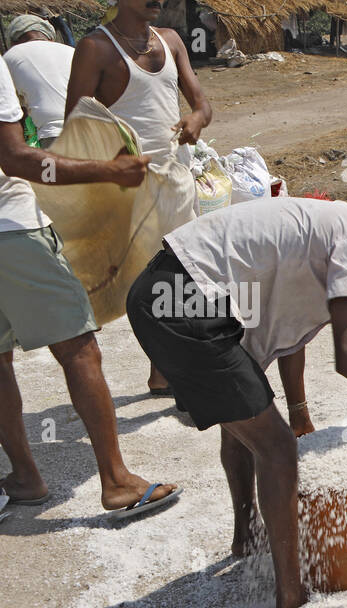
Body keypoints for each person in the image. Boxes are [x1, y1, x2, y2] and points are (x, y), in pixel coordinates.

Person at [125, 160, 347, 608]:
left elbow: (288, 337)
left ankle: (246, 537)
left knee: (246, 416)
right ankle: (290, 596)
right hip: (185, 302)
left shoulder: (330, 222)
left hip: (164, 290)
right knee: (277, 449)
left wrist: (297, 410)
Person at [0, 57, 176, 517]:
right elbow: (16, 158)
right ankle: (116, 482)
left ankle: (25, 477)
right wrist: (108, 172)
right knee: (79, 349)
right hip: (11, 233)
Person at [66, 0, 213, 396]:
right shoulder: (96, 49)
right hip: (128, 186)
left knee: (183, 272)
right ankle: (168, 368)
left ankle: (165, 371)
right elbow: (75, 125)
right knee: (146, 280)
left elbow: (202, 104)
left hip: (177, 179)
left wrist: (196, 119)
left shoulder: (171, 41)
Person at [2, 16, 74, 150]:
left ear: (13, 40)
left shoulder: (11, 56)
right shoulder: (72, 52)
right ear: (50, 37)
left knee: (53, 171)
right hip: (95, 129)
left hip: (54, 133)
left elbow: (12, 111)